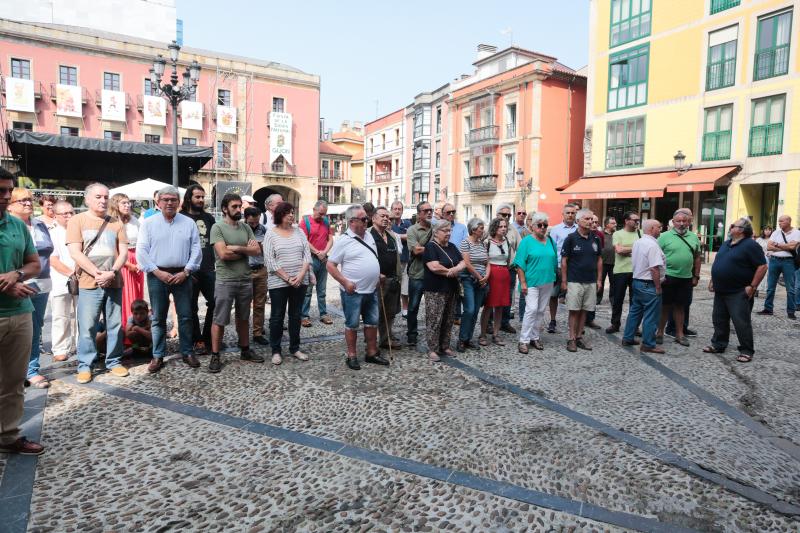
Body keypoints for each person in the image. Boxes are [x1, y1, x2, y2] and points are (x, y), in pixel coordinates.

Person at [0, 168, 44, 455]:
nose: (5, 196)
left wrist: (15, 275)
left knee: (14, 380)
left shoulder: (17, 226)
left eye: (8, 191)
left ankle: (8, 436)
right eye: (0, 191)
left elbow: (34, 265)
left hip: (19, 312)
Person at [66, 183, 129, 384]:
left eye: (105, 197)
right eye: (98, 197)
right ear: (87, 199)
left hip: (113, 281)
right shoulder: (77, 220)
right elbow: (75, 252)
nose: (103, 200)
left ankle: (114, 361)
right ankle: (85, 365)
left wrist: (112, 272)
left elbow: (124, 252)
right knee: (88, 326)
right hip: (88, 282)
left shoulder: (116, 223)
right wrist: (97, 273)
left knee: (115, 324)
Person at [136, 186, 202, 372]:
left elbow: (196, 249)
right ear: (158, 202)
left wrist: (187, 271)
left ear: (179, 202)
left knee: (186, 316)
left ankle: (187, 351)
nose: (169, 203)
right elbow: (141, 251)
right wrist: (157, 272)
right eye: (165, 199)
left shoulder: (188, 223)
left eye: (173, 199)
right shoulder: (148, 224)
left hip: (183, 275)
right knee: (158, 318)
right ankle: (158, 355)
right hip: (158, 275)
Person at [327, 204, 387, 370]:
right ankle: (351, 356)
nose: (366, 221)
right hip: (353, 291)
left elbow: (369, 258)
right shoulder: (344, 241)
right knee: (352, 323)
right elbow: (330, 265)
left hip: (372, 289)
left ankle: (372, 353)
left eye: (366, 218)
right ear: (352, 221)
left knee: (372, 322)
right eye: (363, 219)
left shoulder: (368, 236)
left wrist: (377, 274)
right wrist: (345, 282)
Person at [208, 193, 264, 373]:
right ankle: (215, 355)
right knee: (220, 319)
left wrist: (238, 248)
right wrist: (246, 251)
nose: (239, 210)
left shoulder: (245, 227)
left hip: (245, 279)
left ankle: (245, 349)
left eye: (240, 206)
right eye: (234, 206)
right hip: (225, 280)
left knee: (244, 317)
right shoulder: (217, 228)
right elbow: (223, 255)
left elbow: (256, 251)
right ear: (225, 208)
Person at [8, 188, 53, 389]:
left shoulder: (39, 224)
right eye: (22, 200)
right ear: (10, 204)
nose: (28, 203)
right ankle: (15, 372)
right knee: (16, 330)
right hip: (18, 285)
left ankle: (32, 370)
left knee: (35, 329)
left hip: (42, 283)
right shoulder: (9, 227)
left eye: (30, 199)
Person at [706, 218, 768, 362]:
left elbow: (762, 266)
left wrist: (752, 287)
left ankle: (746, 350)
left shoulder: (750, 245)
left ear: (742, 230)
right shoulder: (727, 243)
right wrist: (712, 280)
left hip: (738, 290)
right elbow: (718, 262)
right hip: (721, 289)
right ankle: (718, 344)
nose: (730, 227)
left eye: (733, 226)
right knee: (719, 319)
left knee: (741, 322)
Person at [263, 202, 311, 365]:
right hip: (279, 282)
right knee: (277, 316)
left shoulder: (300, 231)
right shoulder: (271, 234)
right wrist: (288, 278)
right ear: (279, 215)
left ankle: (295, 348)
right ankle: (276, 350)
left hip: (300, 280)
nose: (291, 215)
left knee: (296, 315)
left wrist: (300, 275)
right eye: (287, 213)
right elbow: (270, 260)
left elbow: (307, 255)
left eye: (292, 212)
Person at [655, 209, 701, 347]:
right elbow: (656, 256)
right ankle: (659, 332)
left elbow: (697, 258)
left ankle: (679, 334)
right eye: (678, 221)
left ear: (689, 222)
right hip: (668, 277)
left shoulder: (693, 237)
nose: (681, 224)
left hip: (686, 278)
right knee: (665, 306)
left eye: (684, 221)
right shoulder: (664, 237)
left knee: (681, 307)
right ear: (673, 222)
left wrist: (696, 276)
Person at [514, 212, 557, 353]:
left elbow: (554, 259)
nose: (543, 227)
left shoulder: (550, 240)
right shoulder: (526, 242)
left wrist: (556, 276)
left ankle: (535, 337)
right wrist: (523, 282)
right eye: (539, 225)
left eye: (545, 225)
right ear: (533, 227)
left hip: (547, 280)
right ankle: (524, 340)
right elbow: (519, 264)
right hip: (531, 281)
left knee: (540, 311)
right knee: (531, 309)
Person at [181, 184, 217, 355]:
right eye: (198, 197)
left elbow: (214, 242)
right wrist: (186, 269)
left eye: (203, 197)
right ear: (189, 198)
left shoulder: (209, 218)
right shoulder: (181, 217)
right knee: (191, 307)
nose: (201, 200)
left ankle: (209, 336)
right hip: (189, 270)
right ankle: (198, 340)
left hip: (208, 269)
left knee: (215, 303)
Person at [423, 220, 465, 361]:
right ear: (436, 232)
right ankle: (433, 349)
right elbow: (434, 267)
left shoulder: (452, 246)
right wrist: (449, 272)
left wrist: (455, 270)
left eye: (449, 231)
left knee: (448, 319)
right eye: (445, 231)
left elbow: (463, 262)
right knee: (435, 319)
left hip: (451, 289)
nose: (448, 233)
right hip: (435, 289)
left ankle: (445, 346)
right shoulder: (430, 247)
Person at [621, 219, 665, 353]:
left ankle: (628, 337)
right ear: (651, 229)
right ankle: (648, 344)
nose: (660, 229)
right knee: (651, 315)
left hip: (637, 282)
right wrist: (658, 287)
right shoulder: (652, 245)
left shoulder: (638, 242)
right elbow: (654, 269)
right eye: (658, 227)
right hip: (648, 284)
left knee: (635, 312)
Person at [560, 208, 602, 352]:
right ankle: (571, 338)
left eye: (591, 219)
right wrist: (564, 281)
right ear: (578, 221)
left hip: (590, 280)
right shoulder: (570, 239)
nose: (591, 222)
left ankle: (579, 337)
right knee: (574, 310)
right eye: (587, 219)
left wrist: (599, 279)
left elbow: (599, 260)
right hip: (575, 280)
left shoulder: (595, 238)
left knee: (585, 310)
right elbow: (564, 261)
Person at [109, 193, 143, 337]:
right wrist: (128, 264)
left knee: (137, 294)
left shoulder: (135, 220)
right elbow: (113, 247)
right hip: (121, 260)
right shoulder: (111, 222)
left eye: (129, 203)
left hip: (137, 258)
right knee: (125, 295)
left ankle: (138, 328)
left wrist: (140, 261)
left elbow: (142, 241)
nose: (128, 205)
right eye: (124, 203)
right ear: (116, 205)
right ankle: (124, 330)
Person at [370, 207, 402, 350]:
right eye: (382, 216)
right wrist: (375, 273)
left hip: (392, 279)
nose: (386, 219)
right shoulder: (368, 235)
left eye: (387, 217)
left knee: (389, 313)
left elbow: (397, 257)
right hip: (376, 280)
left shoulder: (391, 236)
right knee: (374, 312)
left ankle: (384, 339)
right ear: (373, 218)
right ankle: (371, 342)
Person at [49, 200, 77, 362]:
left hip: (81, 278)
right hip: (60, 280)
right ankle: (60, 347)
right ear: (55, 215)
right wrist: (72, 273)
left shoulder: (79, 230)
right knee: (61, 316)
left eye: (71, 212)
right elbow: (53, 260)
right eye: (64, 213)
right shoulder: (52, 233)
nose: (68, 216)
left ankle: (83, 345)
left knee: (83, 315)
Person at [457, 217, 490, 352]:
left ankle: (468, 339)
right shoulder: (465, 243)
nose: (483, 231)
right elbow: (467, 263)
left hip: (481, 282)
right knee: (469, 310)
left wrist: (486, 276)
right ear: (473, 229)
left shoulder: (482, 244)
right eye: (481, 228)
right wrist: (479, 276)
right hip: (469, 279)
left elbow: (487, 262)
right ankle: (462, 339)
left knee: (476, 311)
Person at [300, 199, 334, 327]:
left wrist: (324, 252)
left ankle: (323, 314)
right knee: (308, 290)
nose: (322, 216)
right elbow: (303, 241)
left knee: (322, 289)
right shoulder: (305, 222)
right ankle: (304, 315)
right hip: (310, 259)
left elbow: (330, 239)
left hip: (323, 259)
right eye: (320, 213)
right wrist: (317, 252)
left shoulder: (326, 221)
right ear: (314, 210)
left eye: (324, 214)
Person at [758, 215, 799, 319]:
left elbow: (793, 247)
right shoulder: (776, 232)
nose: (779, 223)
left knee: (790, 288)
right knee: (770, 287)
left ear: (789, 222)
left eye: (781, 221)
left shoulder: (797, 233)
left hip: (788, 262)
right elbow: (769, 246)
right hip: (774, 260)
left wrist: (776, 245)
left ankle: (791, 311)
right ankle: (768, 309)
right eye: (779, 221)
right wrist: (786, 247)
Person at [480, 216, 513, 346]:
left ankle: (496, 334)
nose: (503, 229)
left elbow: (508, 259)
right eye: (501, 226)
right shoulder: (487, 242)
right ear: (495, 228)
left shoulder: (507, 242)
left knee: (500, 306)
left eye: (505, 226)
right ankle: (482, 334)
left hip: (504, 273)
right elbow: (483, 260)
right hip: (491, 274)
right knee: (488, 306)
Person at [606, 211, 641, 333]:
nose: (637, 222)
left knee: (635, 301)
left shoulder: (640, 233)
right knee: (617, 299)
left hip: (637, 272)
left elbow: (645, 249)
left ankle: (634, 327)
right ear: (626, 221)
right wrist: (636, 248)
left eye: (638, 220)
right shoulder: (618, 234)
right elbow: (619, 250)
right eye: (634, 220)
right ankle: (615, 324)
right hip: (620, 271)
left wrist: (628, 249)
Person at [547, 203, 578, 333]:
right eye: (568, 213)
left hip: (574, 268)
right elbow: (552, 249)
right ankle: (552, 320)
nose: (570, 215)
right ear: (563, 214)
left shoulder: (579, 229)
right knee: (553, 295)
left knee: (573, 296)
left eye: (572, 213)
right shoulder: (556, 230)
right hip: (559, 267)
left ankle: (573, 324)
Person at [406, 201, 433, 346]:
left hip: (433, 275)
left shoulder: (436, 228)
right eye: (425, 210)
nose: (429, 213)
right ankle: (411, 334)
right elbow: (415, 251)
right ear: (419, 213)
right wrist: (434, 249)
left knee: (433, 307)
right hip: (417, 274)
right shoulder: (412, 230)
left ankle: (432, 335)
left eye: (431, 210)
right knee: (413, 306)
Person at [244, 207, 269, 345]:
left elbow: (267, 249)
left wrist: (258, 247)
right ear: (246, 218)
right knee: (244, 304)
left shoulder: (264, 229)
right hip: (245, 270)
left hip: (261, 269)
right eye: (251, 223)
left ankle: (257, 332)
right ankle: (243, 334)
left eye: (256, 222)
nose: (254, 225)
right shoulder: (240, 228)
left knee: (260, 303)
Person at [496, 203, 520, 333]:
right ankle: (489, 322)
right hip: (493, 268)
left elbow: (520, 248)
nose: (506, 217)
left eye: (508, 215)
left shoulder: (513, 230)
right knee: (491, 296)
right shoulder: (489, 228)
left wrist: (518, 264)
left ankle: (504, 322)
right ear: (497, 215)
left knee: (507, 296)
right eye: (503, 214)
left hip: (508, 269)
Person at [442, 202, 467, 324]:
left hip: (458, 263)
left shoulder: (462, 227)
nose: (451, 214)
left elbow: (464, 244)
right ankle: (446, 315)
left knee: (458, 290)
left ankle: (457, 316)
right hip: (442, 263)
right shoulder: (437, 227)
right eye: (448, 212)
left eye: (453, 212)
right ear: (442, 214)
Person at [390, 200, 411, 317]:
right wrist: (403, 236)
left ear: (402, 211)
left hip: (405, 258)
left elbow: (412, 236)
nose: (397, 211)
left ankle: (405, 309)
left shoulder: (407, 223)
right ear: (391, 210)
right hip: (393, 260)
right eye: (395, 209)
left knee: (405, 286)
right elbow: (388, 235)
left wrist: (396, 236)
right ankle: (393, 309)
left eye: (399, 209)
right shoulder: (388, 223)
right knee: (393, 286)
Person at [584, 214, 606, 329]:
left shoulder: (599, 236)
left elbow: (599, 255)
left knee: (592, 297)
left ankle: (590, 319)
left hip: (594, 270)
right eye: (591, 221)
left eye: (596, 222)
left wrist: (599, 277)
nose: (593, 224)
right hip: (581, 271)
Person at [599, 215, 617, 305]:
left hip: (614, 263)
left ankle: (613, 299)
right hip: (602, 262)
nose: (615, 225)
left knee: (614, 283)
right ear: (606, 225)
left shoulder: (617, 234)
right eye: (613, 223)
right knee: (600, 281)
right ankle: (598, 298)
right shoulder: (600, 234)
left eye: (615, 223)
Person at [754, 226, 773, 296]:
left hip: (770, 259)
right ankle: (756, 289)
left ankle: (768, 290)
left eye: (769, 230)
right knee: (759, 273)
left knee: (768, 275)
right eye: (766, 230)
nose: (767, 231)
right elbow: (755, 248)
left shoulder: (773, 239)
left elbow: (775, 249)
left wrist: (771, 253)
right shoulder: (759, 239)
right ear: (763, 231)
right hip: (760, 258)